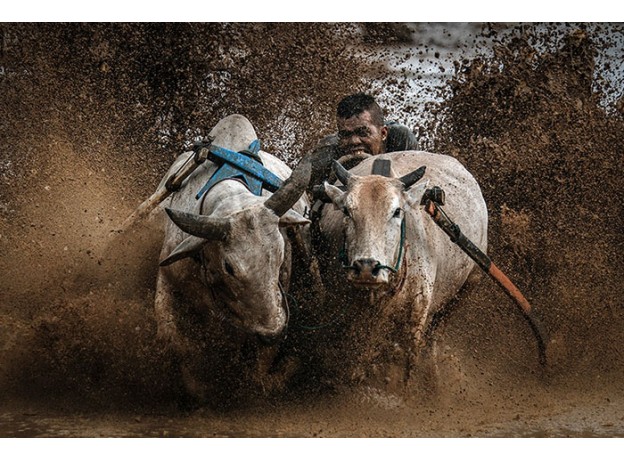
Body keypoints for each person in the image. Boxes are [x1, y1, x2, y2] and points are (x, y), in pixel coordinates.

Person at [309, 92, 418, 188]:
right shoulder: (326, 154)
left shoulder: (401, 140)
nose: (354, 141)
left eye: (363, 133)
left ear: (383, 133)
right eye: (346, 135)